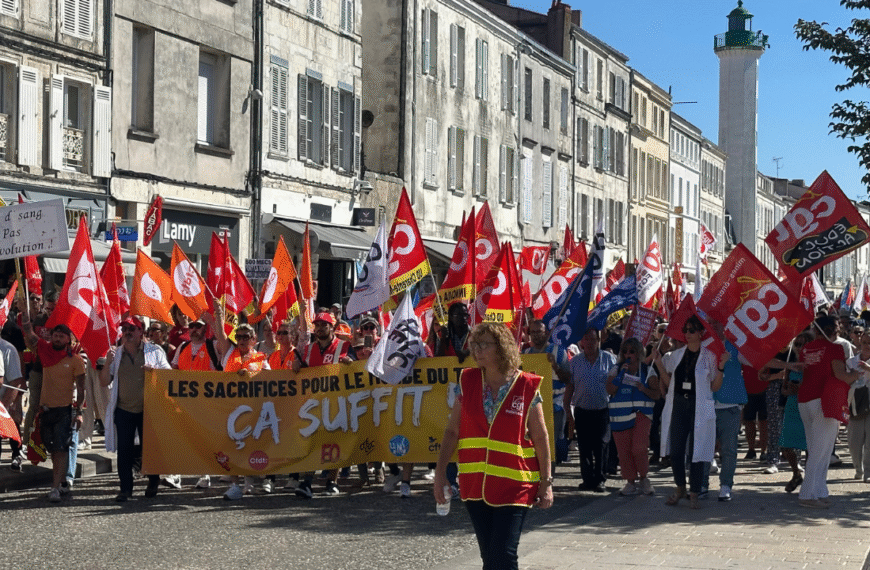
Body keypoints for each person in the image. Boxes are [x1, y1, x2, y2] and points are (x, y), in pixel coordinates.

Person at [434, 322, 552, 570]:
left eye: (483, 344)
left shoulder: (526, 385)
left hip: (515, 484)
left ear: (501, 347)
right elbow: (452, 431)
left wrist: (546, 482)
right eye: (474, 345)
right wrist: (440, 475)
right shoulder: (467, 382)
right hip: (475, 485)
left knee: (504, 554)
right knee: (489, 556)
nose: (476, 350)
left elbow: (541, 437)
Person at [99, 317, 172, 501]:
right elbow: (104, 381)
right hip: (124, 410)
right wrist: (108, 362)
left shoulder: (154, 351)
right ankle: (125, 489)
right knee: (124, 451)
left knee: (149, 449)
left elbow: (169, 375)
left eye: (132, 328)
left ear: (141, 332)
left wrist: (154, 371)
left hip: (148, 410)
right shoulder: (116, 354)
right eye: (125, 329)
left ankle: (153, 480)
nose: (128, 332)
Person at [659, 315, 728, 509]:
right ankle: (680, 487)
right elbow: (667, 380)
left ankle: (695, 492)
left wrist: (721, 367)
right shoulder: (676, 356)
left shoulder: (709, 357)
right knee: (676, 450)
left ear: (700, 333)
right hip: (679, 405)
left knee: (697, 451)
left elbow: (715, 386)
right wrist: (657, 362)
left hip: (700, 407)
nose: (687, 334)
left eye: (691, 330)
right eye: (685, 330)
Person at [797, 316, 861, 508]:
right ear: (832, 330)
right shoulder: (835, 348)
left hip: (805, 399)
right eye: (838, 328)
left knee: (816, 448)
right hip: (825, 400)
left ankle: (819, 490)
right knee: (821, 451)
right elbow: (841, 375)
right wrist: (859, 373)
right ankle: (808, 494)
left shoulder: (806, 348)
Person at [21, 320, 85, 503]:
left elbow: (81, 390)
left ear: (68, 339)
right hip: (45, 411)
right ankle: (63, 482)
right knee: (50, 449)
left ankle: (55, 487)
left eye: (61, 336)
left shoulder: (76, 360)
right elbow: (30, 336)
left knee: (60, 449)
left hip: (64, 411)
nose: (57, 338)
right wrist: (25, 319)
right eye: (55, 335)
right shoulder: (44, 351)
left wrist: (79, 412)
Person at [292, 312, 354, 497]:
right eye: (317, 325)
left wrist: (350, 363)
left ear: (332, 327)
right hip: (314, 404)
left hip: (338, 402)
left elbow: (358, 366)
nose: (319, 328)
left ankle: (332, 482)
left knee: (335, 442)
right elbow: (301, 366)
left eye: (323, 325)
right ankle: (307, 482)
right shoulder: (309, 349)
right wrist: (296, 365)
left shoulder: (345, 346)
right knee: (313, 442)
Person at [208, 316, 271, 499]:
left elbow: (270, 380)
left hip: (253, 410)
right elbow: (220, 334)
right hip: (231, 408)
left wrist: (251, 372)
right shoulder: (229, 353)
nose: (242, 340)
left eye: (246, 337)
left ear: (253, 340)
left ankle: (249, 482)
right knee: (231, 447)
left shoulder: (261, 358)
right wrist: (218, 313)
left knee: (250, 446)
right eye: (239, 337)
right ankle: (235, 484)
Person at [606, 337, 659, 496]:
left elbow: (657, 394)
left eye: (632, 351)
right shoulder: (616, 369)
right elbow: (609, 389)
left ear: (639, 353)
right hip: (620, 417)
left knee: (639, 448)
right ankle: (630, 481)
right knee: (624, 451)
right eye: (625, 351)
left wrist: (644, 389)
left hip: (641, 415)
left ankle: (644, 478)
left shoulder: (647, 370)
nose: (628, 354)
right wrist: (621, 373)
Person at [564, 328, 615, 492]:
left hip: (602, 410)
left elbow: (617, 384)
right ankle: (587, 480)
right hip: (582, 410)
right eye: (587, 339)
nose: (590, 343)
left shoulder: (609, 360)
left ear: (599, 341)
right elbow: (570, 387)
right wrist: (568, 411)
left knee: (601, 446)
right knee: (585, 447)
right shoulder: (575, 362)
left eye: (594, 339)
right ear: (582, 342)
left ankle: (600, 479)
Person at [701, 339, 747, 502]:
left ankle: (726, 486)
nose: (714, 325)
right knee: (705, 448)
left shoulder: (737, 346)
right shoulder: (703, 346)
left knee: (729, 449)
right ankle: (702, 484)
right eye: (711, 322)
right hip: (707, 403)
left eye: (717, 322)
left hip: (730, 404)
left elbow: (755, 360)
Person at [523, 320, 571, 472]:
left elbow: (568, 379)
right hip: (532, 407)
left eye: (540, 332)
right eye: (533, 332)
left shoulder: (559, 352)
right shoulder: (525, 354)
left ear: (547, 332)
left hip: (554, 406)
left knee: (551, 443)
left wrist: (555, 366)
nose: (536, 336)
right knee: (533, 443)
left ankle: (549, 477)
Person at [780, 332, 811, 493]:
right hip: (792, 406)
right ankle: (796, 473)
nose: (799, 348)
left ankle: (811, 477)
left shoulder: (812, 364)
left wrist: (801, 387)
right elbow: (783, 389)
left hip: (808, 406)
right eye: (797, 344)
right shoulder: (790, 363)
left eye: (803, 344)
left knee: (809, 447)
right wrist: (789, 389)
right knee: (786, 446)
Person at [846, 331, 870, 481]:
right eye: (865, 342)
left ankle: (868, 472)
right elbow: (844, 381)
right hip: (855, 405)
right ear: (860, 343)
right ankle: (858, 468)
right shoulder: (850, 362)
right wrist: (852, 376)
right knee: (854, 442)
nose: (868, 346)